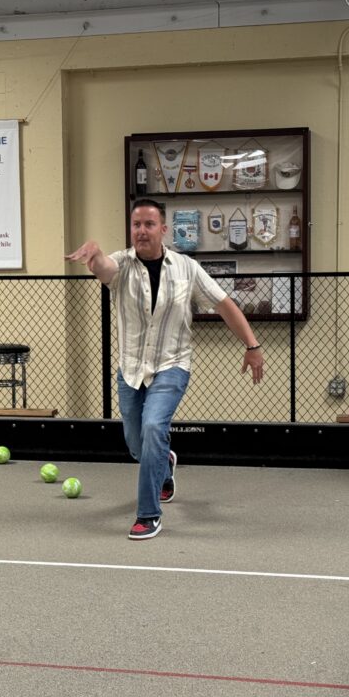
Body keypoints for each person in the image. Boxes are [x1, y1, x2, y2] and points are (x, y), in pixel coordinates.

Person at [66, 198, 264, 539]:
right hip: (131, 369)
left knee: (154, 426)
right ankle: (165, 463)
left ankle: (148, 515)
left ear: (163, 229)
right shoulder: (122, 264)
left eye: (149, 224)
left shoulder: (186, 268)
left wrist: (252, 346)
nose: (141, 231)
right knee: (137, 444)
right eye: (136, 225)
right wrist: (94, 253)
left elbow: (224, 304)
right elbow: (102, 269)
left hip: (172, 364)